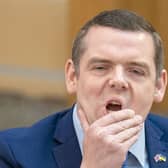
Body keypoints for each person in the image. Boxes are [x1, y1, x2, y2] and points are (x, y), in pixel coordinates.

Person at [0, 9, 168, 168]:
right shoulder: (12, 154)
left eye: (136, 71)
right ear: (73, 76)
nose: (118, 81)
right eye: (101, 67)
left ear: (159, 85)